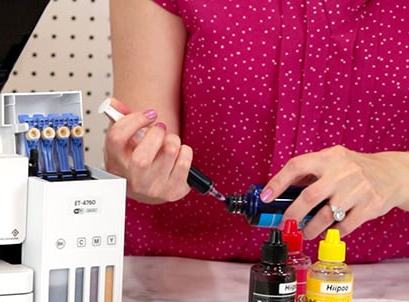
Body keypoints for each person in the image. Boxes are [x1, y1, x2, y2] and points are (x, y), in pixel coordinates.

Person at [104, 0, 409, 263]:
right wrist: (143, 171)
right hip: (179, 278)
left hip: (378, 288)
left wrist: (395, 173)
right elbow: (148, 153)